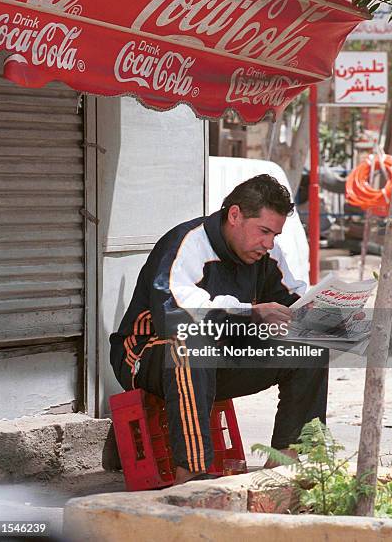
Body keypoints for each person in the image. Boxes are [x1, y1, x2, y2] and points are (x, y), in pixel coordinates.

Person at [110, 174, 328, 484]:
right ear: (235, 215)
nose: (268, 243)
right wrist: (249, 313)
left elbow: (293, 305)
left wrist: (328, 315)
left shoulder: (266, 254)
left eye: (275, 235)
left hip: (220, 356)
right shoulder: (187, 243)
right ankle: (192, 473)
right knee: (192, 342)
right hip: (147, 355)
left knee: (310, 347)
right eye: (263, 231)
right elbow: (172, 316)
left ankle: (284, 461)